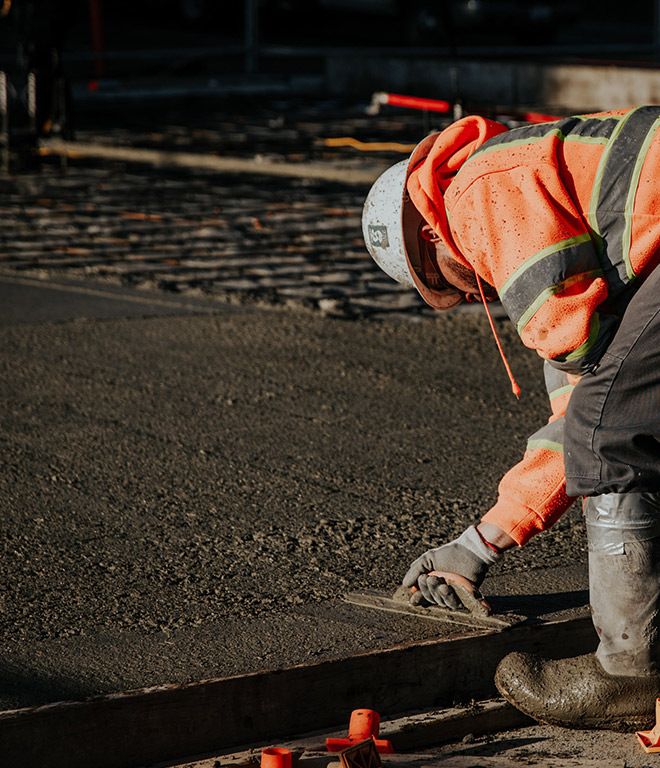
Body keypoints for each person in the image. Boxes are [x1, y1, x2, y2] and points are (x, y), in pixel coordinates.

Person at [361, 106, 660, 732]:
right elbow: (585, 397)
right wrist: (477, 546)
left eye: (454, 285)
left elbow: (586, 406)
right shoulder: (533, 183)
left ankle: (628, 673)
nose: (478, 293)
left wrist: (479, 544)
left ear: (430, 236)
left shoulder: (481, 191)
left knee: (611, 432)